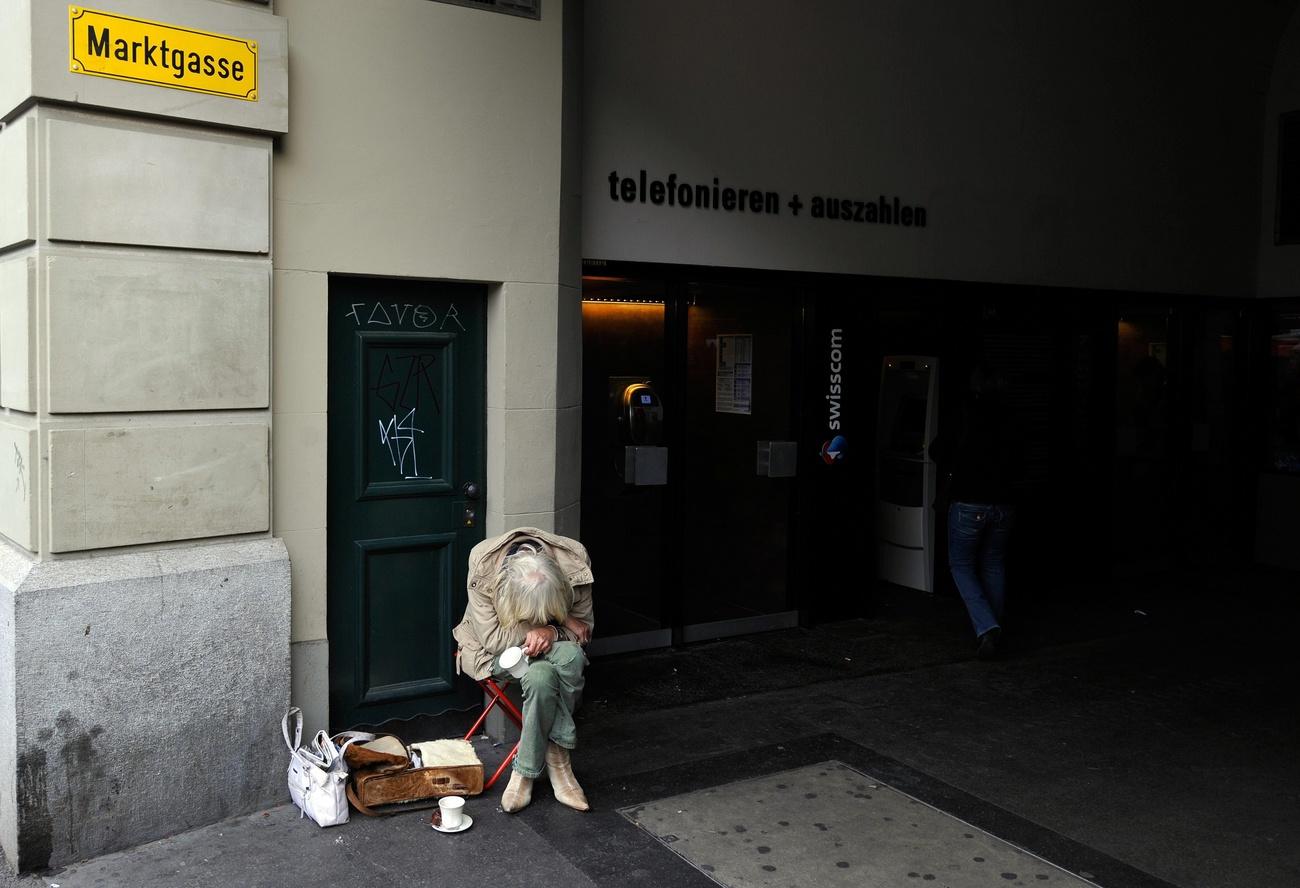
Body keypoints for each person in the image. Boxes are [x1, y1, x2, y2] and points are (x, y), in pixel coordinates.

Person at [452, 527, 595, 813]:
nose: (535, 619)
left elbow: (583, 630)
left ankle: (529, 769)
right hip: (495, 653)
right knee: (541, 676)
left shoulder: (574, 560)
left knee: (570, 659)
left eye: (546, 610)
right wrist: (557, 622)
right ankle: (554, 764)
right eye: (527, 614)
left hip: (555, 647)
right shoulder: (483, 562)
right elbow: (493, 640)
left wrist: (552, 632)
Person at [932, 365, 1021, 660]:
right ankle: (994, 628)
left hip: (969, 500)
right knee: (994, 562)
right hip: (1005, 502)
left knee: (961, 564)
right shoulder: (1012, 415)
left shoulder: (965, 412)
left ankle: (987, 627)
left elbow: (938, 449)